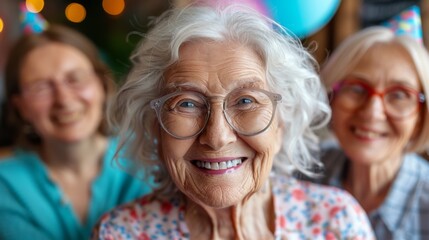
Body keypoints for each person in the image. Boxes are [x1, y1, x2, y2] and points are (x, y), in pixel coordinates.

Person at [92, 4, 375, 239]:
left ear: (281, 124)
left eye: (246, 101)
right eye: (187, 103)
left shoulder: (336, 222)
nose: (217, 137)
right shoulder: (121, 232)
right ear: (155, 124)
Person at [0, 24, 152, 240]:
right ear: (20, 107)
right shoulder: (6, 185)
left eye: (75, 78)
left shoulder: (150, 156)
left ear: (102, 84)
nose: (64, 99)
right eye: (41, 87)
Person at [305, 26, 429, 239]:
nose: (372, 113)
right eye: (357, 88)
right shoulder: (304, 172)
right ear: (330, 98)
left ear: (420, 118)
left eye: (399, 95)